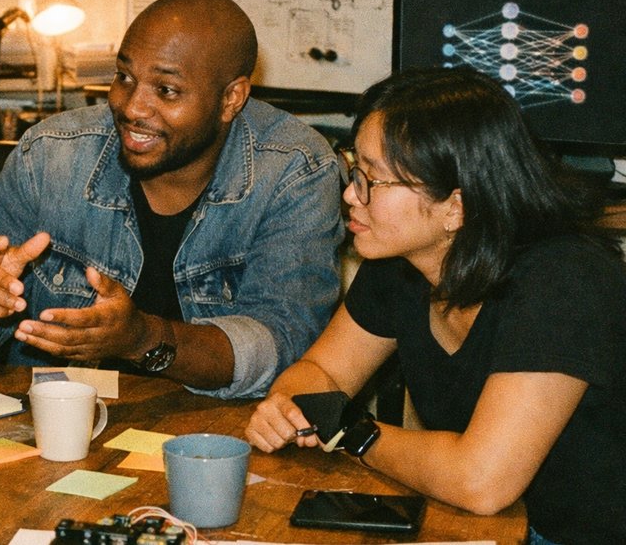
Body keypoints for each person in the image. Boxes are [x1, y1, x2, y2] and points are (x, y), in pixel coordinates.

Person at [244, 67, 626, 544]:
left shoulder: (566, 281)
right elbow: (320, 373)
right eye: (353, 168)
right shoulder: (401, 260)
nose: (350, 194)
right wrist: (288, 408)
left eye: (371, 180)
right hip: (482, 525)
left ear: (455, 208)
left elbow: (481, 481)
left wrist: (352, 432)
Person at [0, 0, 343, 398]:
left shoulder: (293, 169)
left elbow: (283, 341)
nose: (131, 107)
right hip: (56, 424)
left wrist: (144, 338)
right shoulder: (50, 155)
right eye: (124, 77)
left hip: (214, 431)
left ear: (231, 98)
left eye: (166, 90)